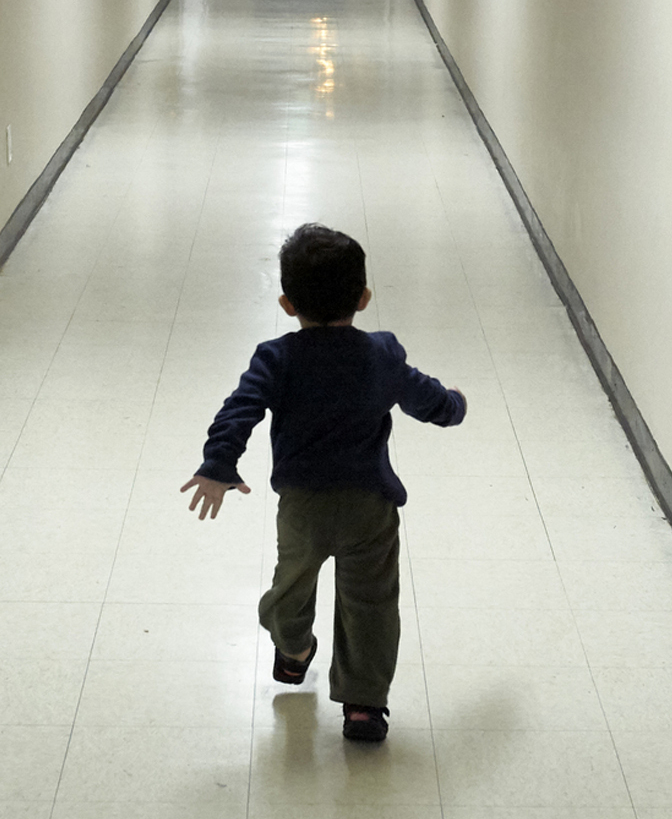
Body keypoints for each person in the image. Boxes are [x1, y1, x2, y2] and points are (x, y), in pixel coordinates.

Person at [179, 223, 467, 744]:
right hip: (369, 506)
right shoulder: (382, 353)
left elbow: (238, 409)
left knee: (289, 589)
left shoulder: (278, 356)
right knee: (371, 607)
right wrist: (454, 405)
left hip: (304, 508)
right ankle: (363, 699)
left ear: (288, 304)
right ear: (363, 297)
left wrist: (219, 463)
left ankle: (295, 650)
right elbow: (425, 398)